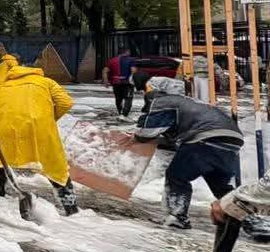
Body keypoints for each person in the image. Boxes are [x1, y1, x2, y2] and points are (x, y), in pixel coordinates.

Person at [135, 76, 243, 230]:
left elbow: (145, 133)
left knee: (177, 176)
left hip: (206, 138)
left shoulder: (163, 102)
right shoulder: (190, 102)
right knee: (221, 188)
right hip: (231, 140)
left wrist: (137, 138)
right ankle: (254, 223)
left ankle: (177, 216)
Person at [0, 62, 79, 215]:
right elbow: (66, 102)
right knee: (54, 165)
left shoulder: (4, 85)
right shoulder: (46, 82)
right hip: (37, 127)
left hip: (4, 127)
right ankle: (70, 207)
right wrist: (50, 118)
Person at [102, 47, 137, 118]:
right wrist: (135, 80)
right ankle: (124, 115)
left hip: (116, 83)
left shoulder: (112, 60)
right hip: (127, 83)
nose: (129, 53)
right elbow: (133, 70)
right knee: (128, 98)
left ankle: (120, 111)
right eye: (129, 52)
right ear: (126, 52)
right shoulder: (131, 60)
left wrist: (106, 81)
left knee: (118, 98)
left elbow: (104, 71)